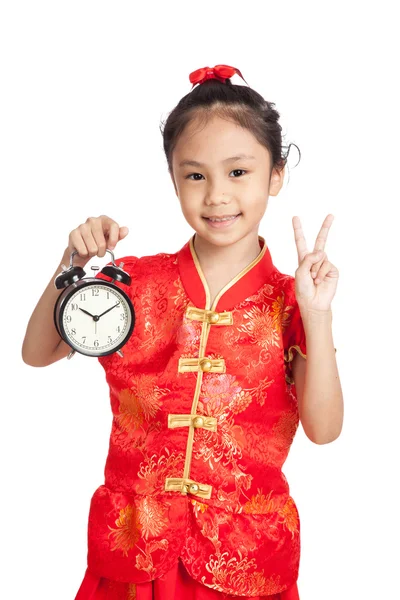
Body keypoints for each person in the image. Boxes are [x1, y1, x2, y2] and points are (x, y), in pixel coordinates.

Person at [22, 64, 343, 600]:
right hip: (134, 557)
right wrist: (72, 262)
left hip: (243, 563)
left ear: (276, 175)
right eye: (195, 175)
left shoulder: (293, 301)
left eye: (238, 172)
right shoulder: (137, 283)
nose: (217, 196)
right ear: (173, 179)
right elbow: (37, 351)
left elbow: (325, 428)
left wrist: (319, 314)